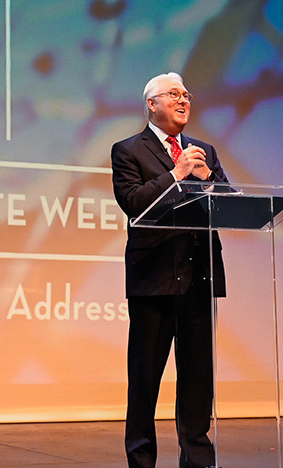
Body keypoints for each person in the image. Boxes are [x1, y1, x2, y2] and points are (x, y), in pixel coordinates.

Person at [110, 71, 228, 468]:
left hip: (198, 279)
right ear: (152, 104)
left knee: (198, 381)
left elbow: (229, 204)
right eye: (174, 95)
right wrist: (177, 175)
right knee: (145, 380)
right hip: (153, 281)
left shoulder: (204, 151)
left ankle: (198, 461)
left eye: (187, 95)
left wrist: (206, 177)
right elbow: (134, 201)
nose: (184, 101)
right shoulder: (128, 150)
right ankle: (141, 461)